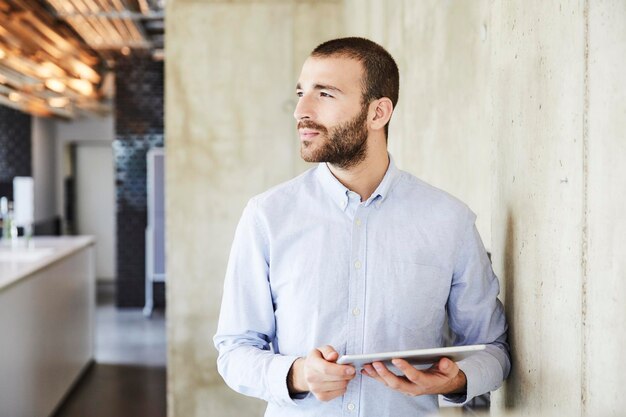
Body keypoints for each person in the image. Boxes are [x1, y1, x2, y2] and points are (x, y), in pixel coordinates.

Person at [213, 37, 510, 417]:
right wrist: (298, 374)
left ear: (377, 113)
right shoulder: (267, 216)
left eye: (325, 94)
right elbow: (234, 349)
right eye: (301, 92)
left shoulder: (449, 220)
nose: (301, 110)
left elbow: (492, 349)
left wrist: (454, 381)